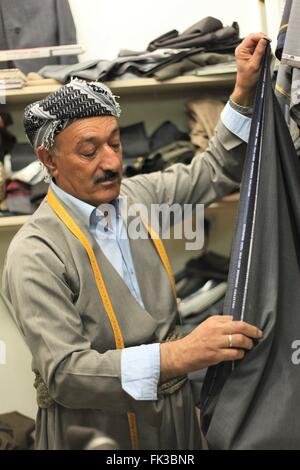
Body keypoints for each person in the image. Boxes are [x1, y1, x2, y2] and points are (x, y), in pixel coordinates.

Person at [3, 33, 266, 450]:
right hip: (93, 433)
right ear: (48, 160)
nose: (111, 162)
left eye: (115, 143)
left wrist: (242, 92)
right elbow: (67, 373)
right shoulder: (35, 253)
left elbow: (216, 168)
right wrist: (180, 355)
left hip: (175, 424)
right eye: (89, 151)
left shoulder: (138, 199)